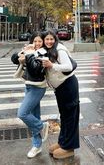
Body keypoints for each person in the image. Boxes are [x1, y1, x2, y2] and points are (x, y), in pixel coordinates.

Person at [41, 30, 80, 160]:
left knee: (70, 117)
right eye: (46, 39)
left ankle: (69, 148)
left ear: (55, 39)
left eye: (51, 39)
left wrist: (52, 65)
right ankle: (62, 142)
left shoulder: (60, 49)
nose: (49, 41)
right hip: (60, 88)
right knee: (64, 116)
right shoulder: (46, 50)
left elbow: (68, 66)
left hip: (68, 85)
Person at [11, 31, 49, 158]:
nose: (37, 43)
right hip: (28, 85)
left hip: (37, 87)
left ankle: (42, 126)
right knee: (34, 116)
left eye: (40, 41)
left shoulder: (43, 53)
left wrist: (29, 55)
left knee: (23, 113)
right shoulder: (29, 50)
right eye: (35, 41)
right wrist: (20, 54)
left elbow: (35, 69)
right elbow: (14, 59)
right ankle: (37, 146)